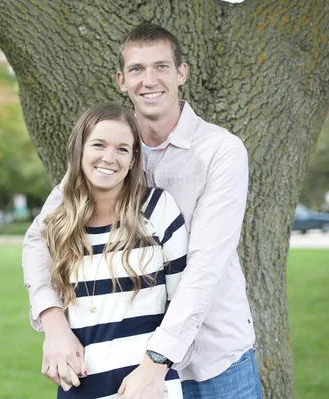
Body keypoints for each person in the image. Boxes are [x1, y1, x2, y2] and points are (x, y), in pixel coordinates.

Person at [22, 23, 263, 399]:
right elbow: (40, 237)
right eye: (137, 69)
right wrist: (54, 323)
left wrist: (156, 363)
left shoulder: (221, 151)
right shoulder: (109, 148)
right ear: (121, 80)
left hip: (215, 360)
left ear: (182, 73)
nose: (149, 80)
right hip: (130, 367)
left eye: (161, 67)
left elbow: (204, 268)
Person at [40, 102, 187, 398]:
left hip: (148, 388)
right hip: (81, 388)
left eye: (122, 149)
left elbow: (183, 304)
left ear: (134, 159)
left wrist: (154, 368)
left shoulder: (158, 209)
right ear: (80, 149)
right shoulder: (60, 222)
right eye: (98, 145)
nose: (109, 157)